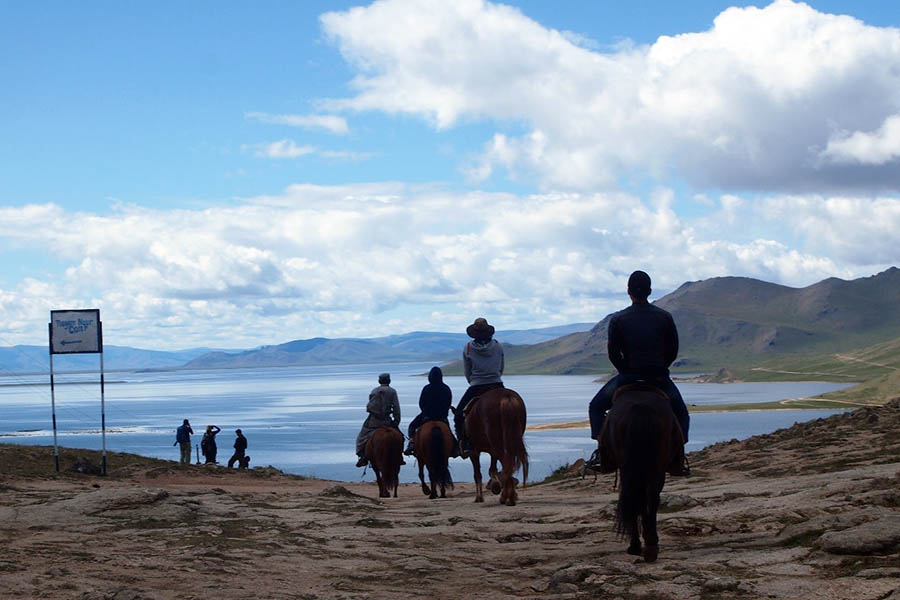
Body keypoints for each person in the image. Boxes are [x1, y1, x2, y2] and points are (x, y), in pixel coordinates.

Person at [587, 270, 691, 475]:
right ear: (650, 291)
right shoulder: (664, 317)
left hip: (628, 376)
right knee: (681, 414)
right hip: (659, 378)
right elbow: (672, 350)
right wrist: (661, 368)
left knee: (596, 408)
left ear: (628, 292)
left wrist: (625, 371)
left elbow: (613, 352)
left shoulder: (618, 319)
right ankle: (678, 458)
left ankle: (603, 455)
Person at [453, 317, 504, 458]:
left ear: (474, 333)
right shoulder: (498, 345)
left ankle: (465, 443)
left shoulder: (468, 347)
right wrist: (495, 376)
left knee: (458, 415)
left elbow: (467, 370)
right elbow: (501, 366)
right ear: (489, 332)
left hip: (477, 385)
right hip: (497, 383)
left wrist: (473, 381)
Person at [404, 366, 458, 457]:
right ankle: (456, 449)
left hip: (427, 415)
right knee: (449, 432)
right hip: (442, 417)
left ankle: (412, 443)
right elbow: (449, 402)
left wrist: (425, 411)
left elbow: (421, 403)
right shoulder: (446, 388)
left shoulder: (426, 388)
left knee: (412, 426)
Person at [355, 373, 402, 468]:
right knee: (401, 438)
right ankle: (400, 456)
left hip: (373, 421)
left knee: (361, 438)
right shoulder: (392, 391)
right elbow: (396, 408)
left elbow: (370, 405)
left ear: (379, 381)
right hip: (387, 421)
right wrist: (396, 421)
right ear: (389, 381)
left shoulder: (374, 391)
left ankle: (362, 456)